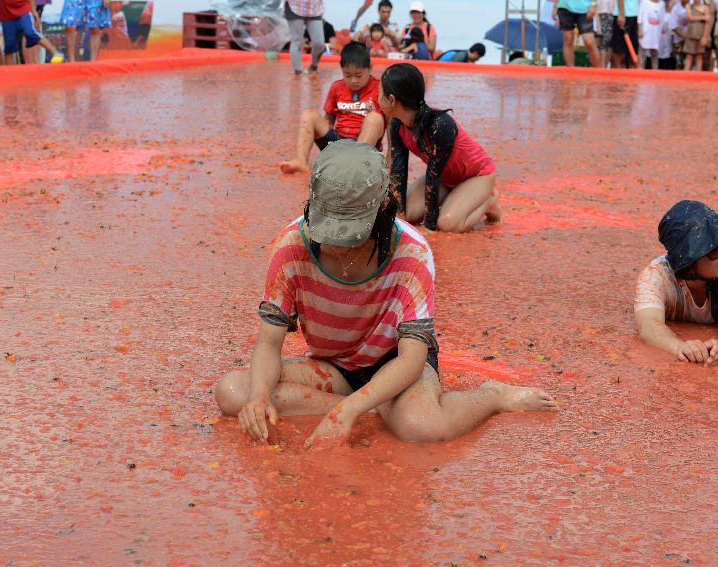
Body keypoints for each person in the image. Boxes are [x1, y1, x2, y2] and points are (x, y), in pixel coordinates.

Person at [215, 140, 558, 448]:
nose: (337, 245)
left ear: (383, 210)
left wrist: (350, 410)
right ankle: (374, 407)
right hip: (333, 366)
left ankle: (490, 396)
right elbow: (269, 343)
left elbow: (411, 359)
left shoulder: (413, 252)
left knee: (421, 426)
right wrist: (260, 398)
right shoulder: (292, 246)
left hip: (396, 366)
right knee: (233, 392)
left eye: (351, 234)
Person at [379, 63, 501, 233]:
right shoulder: (396, 123)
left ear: (391, 100)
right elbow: (398, 171)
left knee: (447, 224)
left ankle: (489, 201)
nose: (377, 97)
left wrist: (430, 227)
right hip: (446, 177)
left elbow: (433, 177)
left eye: (380, 93)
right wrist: (398, 219)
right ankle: (456, 200)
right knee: (411, 215)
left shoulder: (440, 125)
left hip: (477, 176)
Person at [635, 200, 718, 364]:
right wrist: (678, 347)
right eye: (715, 247)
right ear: (690, 259)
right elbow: (648, 325)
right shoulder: (656, 276)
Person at [279, 42, 385, 174]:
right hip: (339, 143)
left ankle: (355, 164)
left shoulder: (379, 89)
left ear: (370, 69)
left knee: (375, 118)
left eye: (358, 76)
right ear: (341, 70)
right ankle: (301, 161)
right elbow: (328, 120)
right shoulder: (337, 87)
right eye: (347, 75)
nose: (353, 80)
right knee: (309, 115)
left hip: (365, 147)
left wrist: (391, 158)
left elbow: (390, 124)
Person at [0, 0, 62, 64]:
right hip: (6, 15)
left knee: (30, 32)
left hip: (23, 9)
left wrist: (33, 10)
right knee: (9, 45)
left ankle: (55, 52)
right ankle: (9, 73)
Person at [553, 0, 601, 67]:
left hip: (585, 8)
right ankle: (571, 73)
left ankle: (599, 72)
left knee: (589, 41)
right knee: (568, 40)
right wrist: (555, 7)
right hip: (564, 6)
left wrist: (593, 4)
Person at [285, 0, 325, 75]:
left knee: (320, 44)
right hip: (294, 7)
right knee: (296, 41)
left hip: (315, 9)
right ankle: (298, 72)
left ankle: (314, 65)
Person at [638, 0, 666, 68]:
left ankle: (655, 72)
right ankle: (640, 71)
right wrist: (640, 29)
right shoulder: (644, 2)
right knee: (642, 52)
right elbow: (640, 17)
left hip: (656, 32)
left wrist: (663, 28)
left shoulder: (662, 3)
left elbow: (663, 17)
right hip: (645, 31)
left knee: (655, 52)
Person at [683, 0, 710, 69]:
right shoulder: (688, 6)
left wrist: (705, 37)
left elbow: (707, 23)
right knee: (689, 56)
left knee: (699, 56)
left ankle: (698, 77)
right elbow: (690, 17)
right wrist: (703, 17)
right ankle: (685, 76)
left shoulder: (706, 8)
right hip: (691, 34)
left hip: (701, 35)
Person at [612, 0, 640, 67]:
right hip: (624, 15)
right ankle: (618, 74)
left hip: (634, 14)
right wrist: (621, 14)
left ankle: (632, 75)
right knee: (619, 50)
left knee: (633, 50)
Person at [596, 0, 616, 67]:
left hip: (609, 16)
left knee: (606, 44)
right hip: (600, 15)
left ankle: (604, 67)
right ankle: (601, 67)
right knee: (601, 43)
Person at [670, 0, 690, 66]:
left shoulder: (693, 6)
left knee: (689, 62)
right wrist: (686, 36)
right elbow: (674, 27)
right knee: (678, 63)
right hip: (678, 40)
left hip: (691, 40)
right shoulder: (675, 9)